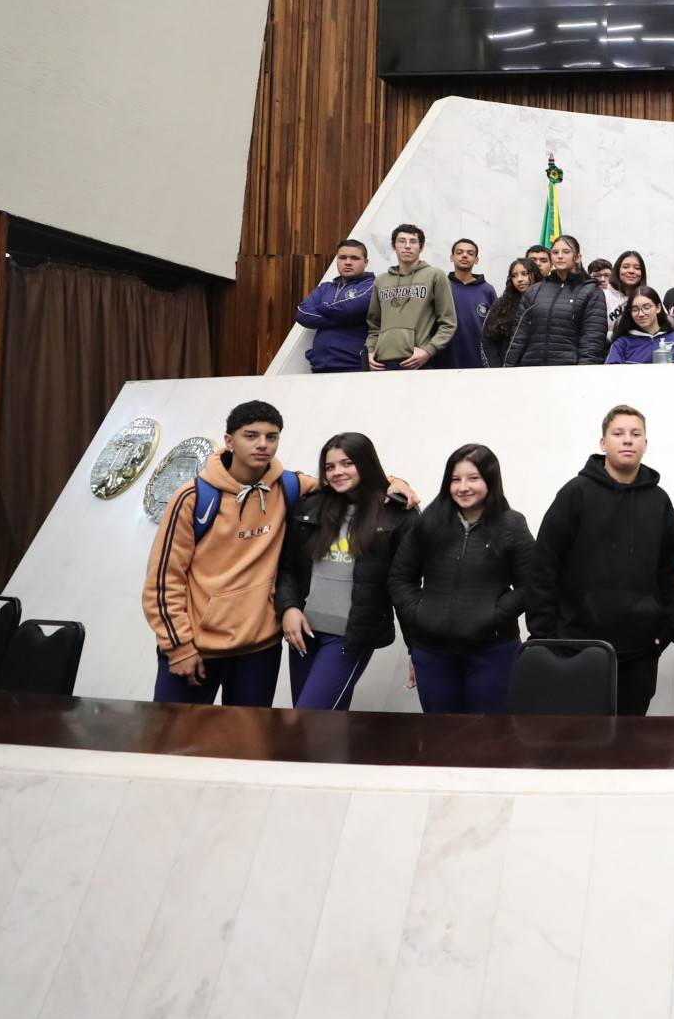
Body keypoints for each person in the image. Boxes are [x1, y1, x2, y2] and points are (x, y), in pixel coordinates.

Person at [143, 401, 312, 704]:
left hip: (259, 650)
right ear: (229, 441)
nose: (263, 444)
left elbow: (345, 481)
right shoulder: (193, 498)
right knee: (171, 743)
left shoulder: (288, 485)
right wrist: (179, 647)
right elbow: (163, 581)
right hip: (195, 648)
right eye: (251, 435)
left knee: (247, 747)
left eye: (271, 437)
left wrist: (394, 483)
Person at [527, 405, 674, 715]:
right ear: (603, 443)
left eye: (635, 434)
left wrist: (666, 631)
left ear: (645, 444)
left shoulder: (659, 501)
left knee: (630, 747)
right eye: (618, 434)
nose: (627, 440)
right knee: (578, 746)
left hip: (640, 651)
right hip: (574, 649)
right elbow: (544, 566)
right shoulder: (575, 494)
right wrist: (546, 637)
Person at [387, 443, 533, 714]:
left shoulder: (512, 524)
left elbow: (532, 584)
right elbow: (399, 578)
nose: (463, 487)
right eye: (455, 479)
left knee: (489, 741)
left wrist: (493, 614)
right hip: (432, 654)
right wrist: (421, 614)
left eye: (473, 478)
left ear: (490, 480)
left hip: (494, 652)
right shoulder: (428, 523)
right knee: (442, 741)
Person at [278, 432, 416, 709]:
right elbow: (288, 567)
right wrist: (288, 608)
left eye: (347, 463)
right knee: (318, 724)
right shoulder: (310, 507)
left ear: (365, 463)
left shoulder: (397, 514)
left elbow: (407, 584)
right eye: (330, 467)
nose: (337, 472)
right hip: (304, 634)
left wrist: (417, 647)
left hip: (349, 637)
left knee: (310, 717)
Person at [365, 223, 457, 371]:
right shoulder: (381, 280)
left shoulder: (435, 275)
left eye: (413, 242)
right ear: (393, 246)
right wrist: (369, 352)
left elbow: (448, 323)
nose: (407, 246)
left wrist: (429, 351)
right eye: (402, 241)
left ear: (421, 247)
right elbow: (374, 325)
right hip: (382, 363)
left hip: (416, 362)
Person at [504, 235, 607, 366]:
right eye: (555, 252)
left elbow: (592, 341)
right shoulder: (534, 290)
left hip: (569, 372)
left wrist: (584, 374)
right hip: (531, 371)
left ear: (577, 258)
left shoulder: (591, 291)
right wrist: (508, 368)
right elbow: (519, 337)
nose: (559, 256)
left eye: (566, 252)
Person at [295, 239, 376, 374]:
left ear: (365, 262)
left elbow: (352, 308)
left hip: (354, 367)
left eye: (354, 258)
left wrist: (323, 307)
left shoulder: (373, 285)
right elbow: (303, 314)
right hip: (319, 367)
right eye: (342, 258)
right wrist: (346, 318)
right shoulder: (324, 288)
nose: (348, 262)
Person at [436, 238, 498, 370]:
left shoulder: (487, 290)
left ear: (476, 260)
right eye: (460, 252)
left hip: (478, 360)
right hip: (444, 359)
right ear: (452, 257)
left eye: (470, 253)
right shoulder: (441, 286)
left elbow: (495, 328)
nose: (464, 255)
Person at [479, 257, 538, 367]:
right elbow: (488, 342)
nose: (519, 279)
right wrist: (496, 371)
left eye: (524, 274)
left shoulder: (544, 301)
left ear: (535, 275)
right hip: (506, 370)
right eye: (514, 276)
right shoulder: (501, 305)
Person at [604, 284, 674, 364]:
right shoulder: (622, 343)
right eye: (635, 309)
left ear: (658, 308)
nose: (641, 314)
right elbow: (611, 374)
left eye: (646, 308)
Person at [603, 249, 648, 336]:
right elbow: (593, 333)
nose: (631, 271)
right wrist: (615, 336)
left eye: (637, 268)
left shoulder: (649, 297)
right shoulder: (603, 296)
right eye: (625, 267)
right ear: (617, 270)